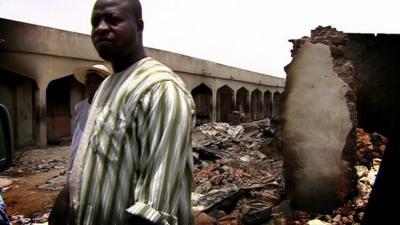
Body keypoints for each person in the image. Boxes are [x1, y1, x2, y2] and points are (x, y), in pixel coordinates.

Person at [52, 0, 196, 224]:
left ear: (139, 26)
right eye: (95, 22)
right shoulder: (107, 87)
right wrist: (67, 197)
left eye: (112, 19)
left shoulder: (160, 88)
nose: (100, 27)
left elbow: (153, 209)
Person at [68, 64, 110, 181]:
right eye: (89, 81)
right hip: (77, 156)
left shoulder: (109, 107)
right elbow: (77, 136)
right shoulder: (79, 107)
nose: (91, 84)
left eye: (95, 81)